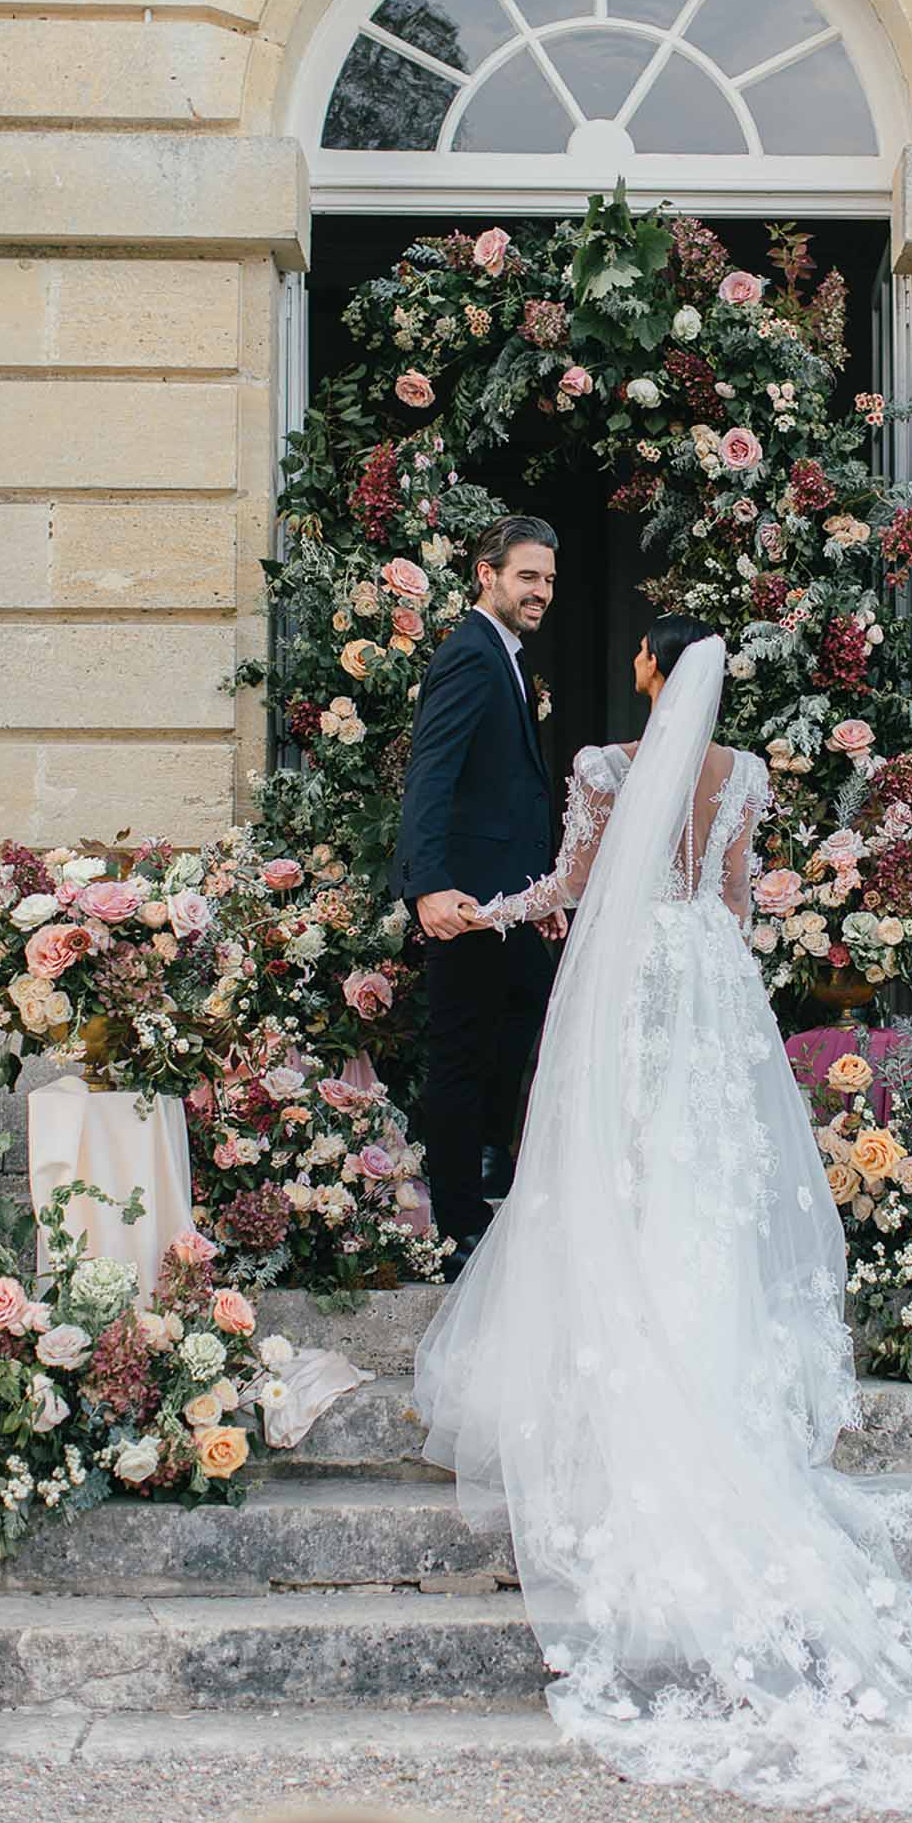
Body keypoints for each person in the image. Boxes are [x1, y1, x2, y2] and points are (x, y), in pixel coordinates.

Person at [413, 616, 912, 1811]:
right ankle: (710, 1382)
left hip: (636, 978)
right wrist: (714, 953)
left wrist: (485, 910)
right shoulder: (749, 775)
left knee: (617, 1170)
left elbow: (573, 885)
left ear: (651, 669)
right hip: (711, 976)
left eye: (642, 661)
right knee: (709, 1179)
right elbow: (732, 895)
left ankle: (622, 1394)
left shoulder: (605, 766)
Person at [391, 516, 563, 1277]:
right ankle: (456, 1222)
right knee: (460, 1058)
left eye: (550, 580)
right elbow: (431, 773)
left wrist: (546, 892)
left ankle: (489, 1200)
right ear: (485, 575)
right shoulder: (469, 654)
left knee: (511, 1047)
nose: (542, 592)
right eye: (528, 576)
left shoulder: (509, 658)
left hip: (513, 906)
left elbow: (512, 794)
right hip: (466, 904)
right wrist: (426, 885)